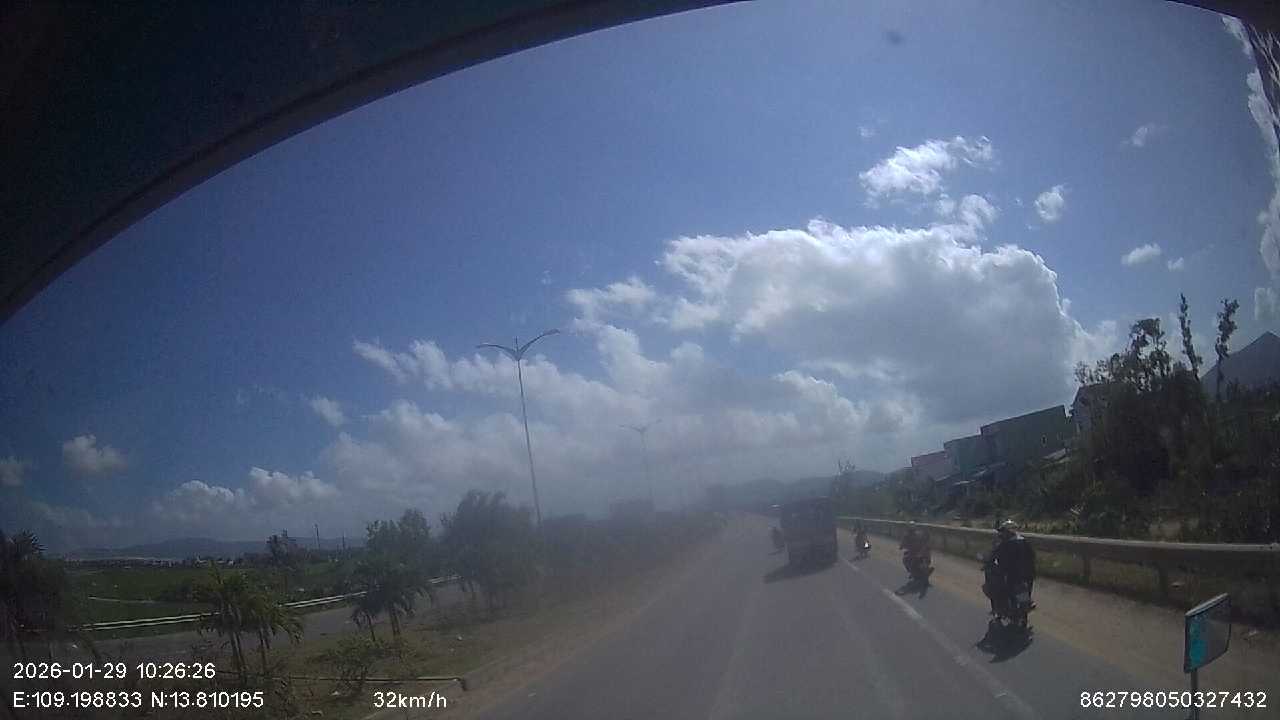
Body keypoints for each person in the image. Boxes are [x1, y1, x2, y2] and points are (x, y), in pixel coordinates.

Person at [984, 520, 1035, 615]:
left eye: (1003, 531)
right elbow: (1032, 556)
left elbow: (994, 556)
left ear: (1007, 532)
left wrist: (989, 564)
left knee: (998, 586)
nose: (1001, 534)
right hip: (1028, 574)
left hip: (1012, 573)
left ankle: (1000, 608)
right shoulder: (1023, 541)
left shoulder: (1006, 543)